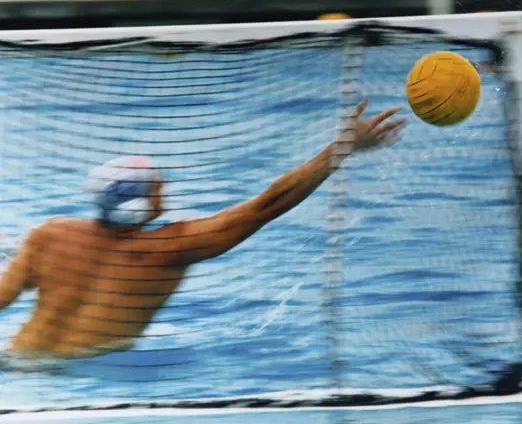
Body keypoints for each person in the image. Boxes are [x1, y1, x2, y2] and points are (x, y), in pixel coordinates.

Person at [0, 99, 406, 362]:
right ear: (142, 204)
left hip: (18, 361)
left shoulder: (47, 236)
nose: (165, 192)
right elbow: (268, 204)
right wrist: (340, 149)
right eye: (158, 188)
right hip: (89, 379)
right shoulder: (170, 249)